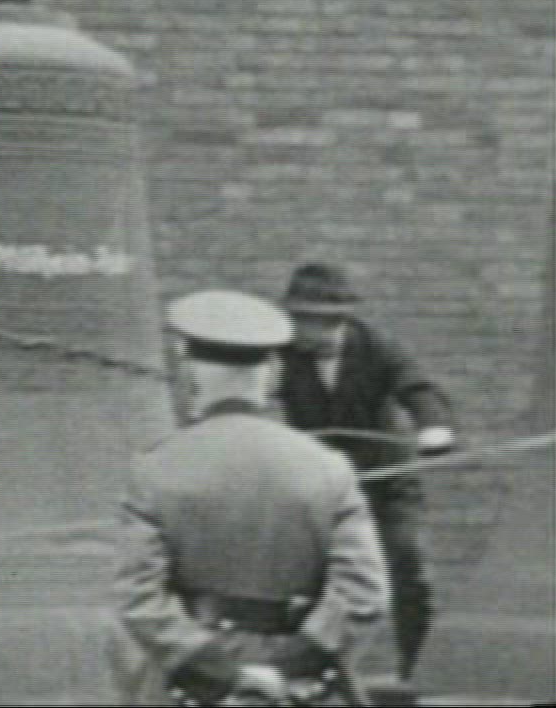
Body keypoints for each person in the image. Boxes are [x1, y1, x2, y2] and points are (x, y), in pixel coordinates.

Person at [108, 289, 390, 706]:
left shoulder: (155, 469)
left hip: (191, 686)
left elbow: (138, 597)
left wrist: (222, 673)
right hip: (301, 686)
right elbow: (364, 593)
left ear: (189, 374)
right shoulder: (328, 467)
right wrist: (288, 666)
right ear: (273, 374)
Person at [274, 262, 458, 697]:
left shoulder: (377, 347)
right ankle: (311, 680)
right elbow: (258, 398)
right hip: (319, 489)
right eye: (297, 319)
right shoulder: (279, 352)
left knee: (406, 565)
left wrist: (434, 427)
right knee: (305, 582)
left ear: (336, 320)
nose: (301, 331)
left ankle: (416, 675)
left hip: (385, 486)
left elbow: (417, 387)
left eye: (311, 322)